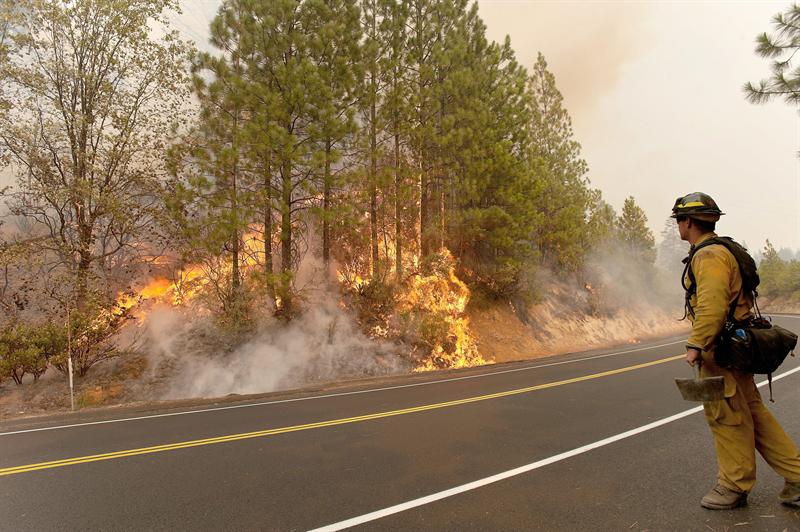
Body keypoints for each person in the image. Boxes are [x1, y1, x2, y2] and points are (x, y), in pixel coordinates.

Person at [673, 192, 800, 510]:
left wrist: (696, 344)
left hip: (721, 352)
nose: (678, 225)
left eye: (679, 220)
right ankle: (798, 477)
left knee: (726, 417)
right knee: (754, 415)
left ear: (688, 222)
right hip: (735, 347)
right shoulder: (721, 250)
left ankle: (733, 485)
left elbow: (712, 305)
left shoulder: (708, 256)